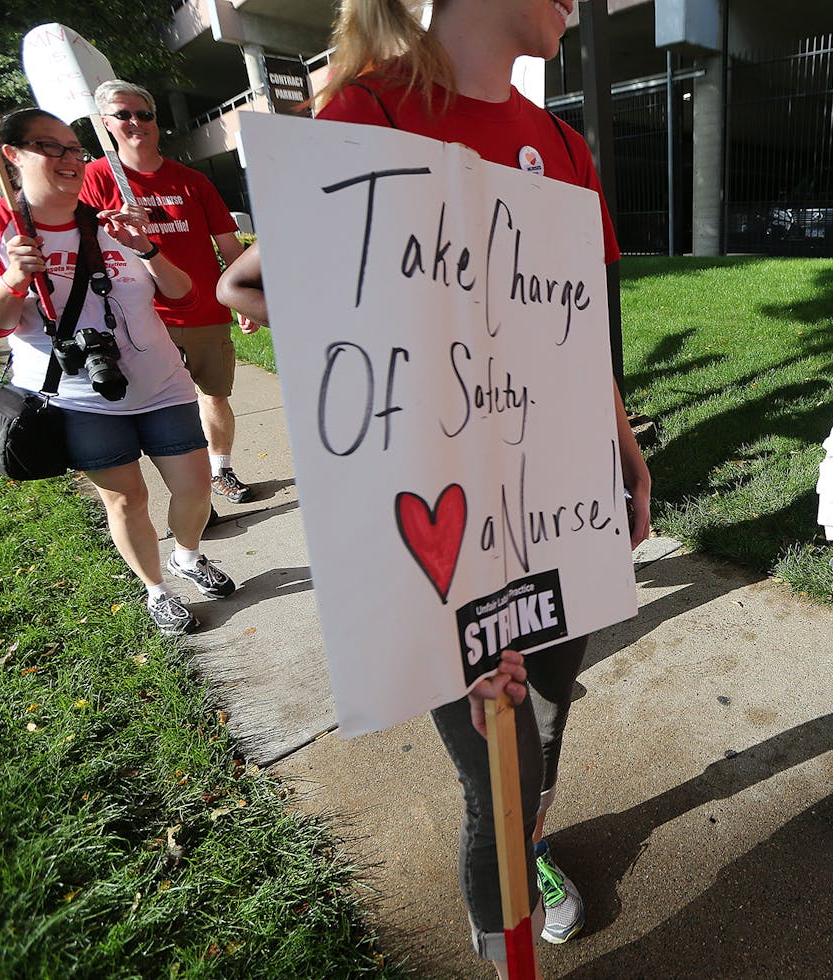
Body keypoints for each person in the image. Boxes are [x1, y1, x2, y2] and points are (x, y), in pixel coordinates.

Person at [312, 0, 652, 969]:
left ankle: (529, 848)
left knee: (543, 717)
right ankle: (499, 941)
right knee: (500, 769)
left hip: (559, 501)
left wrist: (622, 446)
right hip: (439, 527)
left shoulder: (561, 144)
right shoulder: (368, 116)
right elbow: (282, 297)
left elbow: (580, 327)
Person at [0, 108, 236, 636]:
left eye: (75, 149)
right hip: (77, 395)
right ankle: (156, 590)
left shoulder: (107, 219)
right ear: (13, 154)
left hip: (159, 379)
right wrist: (13, 278)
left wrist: (148, 248)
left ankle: (187, 555)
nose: (70, 160)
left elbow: (180, 292)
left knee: (196, 484)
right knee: (126, 497)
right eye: (52, 148)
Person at [80, 80, 259, 506]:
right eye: (123, 115)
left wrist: (243, 297)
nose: (136, 122)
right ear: (105, 123)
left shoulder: (192, 180)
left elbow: (230, 246)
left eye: (144, 114)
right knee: (158, 410)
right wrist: (111, 226)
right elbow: (77, 246)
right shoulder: (94, 179)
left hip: (202, 310)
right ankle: (189, 497)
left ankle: (221, 471)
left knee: (214, 394)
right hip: (137, 318)